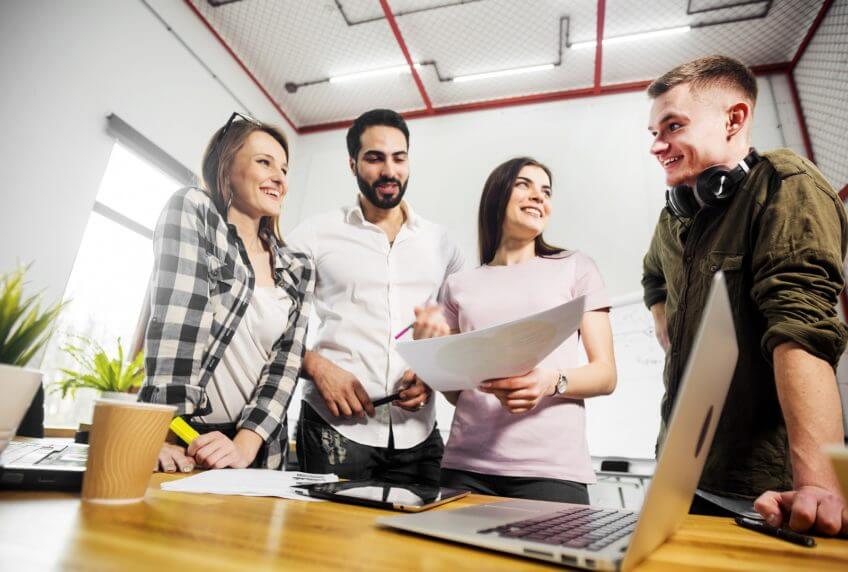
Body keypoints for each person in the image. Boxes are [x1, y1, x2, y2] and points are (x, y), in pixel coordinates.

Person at [642, 55, 848, 535]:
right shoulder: (674, 219)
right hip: (678, 478)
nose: (657, 145)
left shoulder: (784, 182)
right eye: (653, 132)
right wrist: (665, 324)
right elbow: (654, 275)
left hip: (758, 494)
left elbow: (800, 325)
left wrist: (818, 485)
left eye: (672, 126)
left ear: (734, 119)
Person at [416, 157, 617, 503]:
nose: (539, 196)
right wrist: (428, 355)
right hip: (466, 467)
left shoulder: (576, 268)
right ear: (498, 195)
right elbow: (458, 393)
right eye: (524, 184)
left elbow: (606, 374)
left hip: (551, 471)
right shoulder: (458, 285)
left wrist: (550, 381)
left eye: (546, 191)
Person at [286, 109, 464, 487]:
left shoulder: (442, 244)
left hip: (418, 432)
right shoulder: (315, 234)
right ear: (352, 163)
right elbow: (267, 321)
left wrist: (434, 371)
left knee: (420, 542)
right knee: (326, 543)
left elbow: (462, 327)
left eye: (399, 158)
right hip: (333, 429)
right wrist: (316, 366)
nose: (389, 170)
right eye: (374, 158)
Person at [139, 112, 314, 472]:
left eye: (283, 168)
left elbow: (286, 364)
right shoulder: (194, 212)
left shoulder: (297, 267)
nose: (279, 177)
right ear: (225, 167)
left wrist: (244, 447)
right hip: (184, 438)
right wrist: (164, 431)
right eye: (264, 162)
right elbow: (178, 320)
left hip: (257, 450)